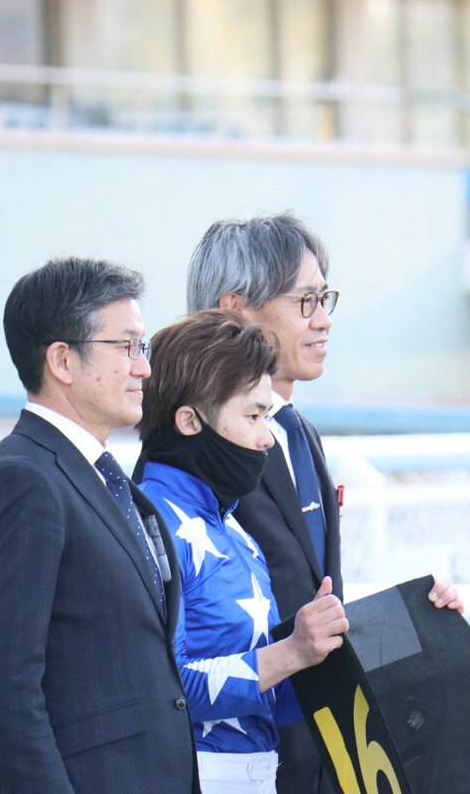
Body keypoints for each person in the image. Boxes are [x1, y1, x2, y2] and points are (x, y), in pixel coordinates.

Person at [187, 214, 462, 793]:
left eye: (325, 299)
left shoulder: (299, 432)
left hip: (324, 749)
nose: (324, 319)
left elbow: (318, 606)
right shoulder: (195, 445)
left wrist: (422, 619)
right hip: (242, 758)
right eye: (305, 301)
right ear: (236, 309)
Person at [0, 258, 197, 793]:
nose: (143, 368)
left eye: (142, 347)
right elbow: (6, 688)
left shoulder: (104, 477)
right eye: (125, 347)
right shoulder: (23, 478)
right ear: (62, 360)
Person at [137, 310, 349, 794]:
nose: (266, 437)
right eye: (253, 416)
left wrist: (414, 622)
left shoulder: (233, 527)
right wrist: (290, 651)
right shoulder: (150, 525)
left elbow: (273, 697)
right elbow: (164, 688)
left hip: (259, 774)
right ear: (188, 420)